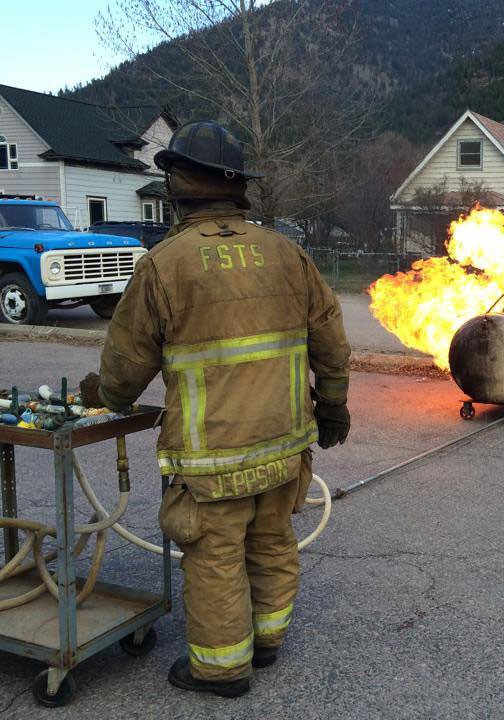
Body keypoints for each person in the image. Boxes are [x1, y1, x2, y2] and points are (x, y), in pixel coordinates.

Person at [81, 120, 351, 698]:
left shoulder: (165, 264)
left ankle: (222, 669)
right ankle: (268, 639)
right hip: (284, 445)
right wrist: (332, 409)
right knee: (273, 540)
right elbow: (331, 343)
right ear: (236, 186)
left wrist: (104, 398)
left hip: (211, 459)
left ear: (180, 183)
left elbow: (125, 369)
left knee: (215, 558)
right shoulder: (287, 254)